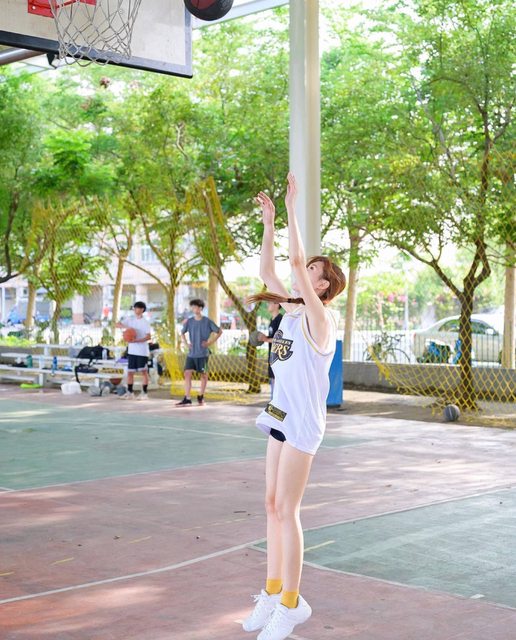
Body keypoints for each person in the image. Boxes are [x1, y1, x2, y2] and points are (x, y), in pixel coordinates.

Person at [242, 173, 346, 640]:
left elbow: (296, 260)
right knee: (271, 505)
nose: (303, 271)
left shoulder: (321, 320)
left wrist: (290, 207)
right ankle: (271, 592)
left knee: (288, 509)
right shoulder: (291, 311)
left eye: (312, 271)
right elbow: (269, 271)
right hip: (279, 414)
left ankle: (291, 604)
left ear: (322, 286)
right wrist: (268, 222)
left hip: (303, 422)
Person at [176, 299, 223, 406]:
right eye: (192, 307)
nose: (194, 309)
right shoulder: (189, 321)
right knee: (187, 373)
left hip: (203, 354)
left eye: (196, 307)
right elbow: (182, 333)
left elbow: (219, 331)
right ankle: (187, 398)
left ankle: (201, 396)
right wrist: (186, 344)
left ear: (200, 308)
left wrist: (209, 342)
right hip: (191, 354)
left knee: (204, 375)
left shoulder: (207, 321)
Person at [116, 301, 151, 400]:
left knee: (143, 372)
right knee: (130, 372)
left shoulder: (145, 322)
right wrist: (127, 328)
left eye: (137, 308)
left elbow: (148, 337)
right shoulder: (130, 319)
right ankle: (130, 393)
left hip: (142, 352)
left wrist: (137, 340)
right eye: (134, 308)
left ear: (142, 310)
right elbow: (117, 324)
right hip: (132, 351)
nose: (135, 310)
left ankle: (144, 393)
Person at [257, 302, 283, 396]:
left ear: (277, 304)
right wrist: (265, 337)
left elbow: (281, 339)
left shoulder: (280, 319)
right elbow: (273, 337)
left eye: (270, 303)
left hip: (278, 357)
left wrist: (266, 339)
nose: (268, 305)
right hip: (271, 356)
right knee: (272, 380)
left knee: (276, 384)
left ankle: (275, 402)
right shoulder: (272, 319)